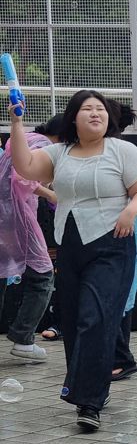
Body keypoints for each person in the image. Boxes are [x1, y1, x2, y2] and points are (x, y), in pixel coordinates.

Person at [8, 90, 137, 431]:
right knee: (74, 321)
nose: (95, 114)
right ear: (73, 118)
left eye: (100, 109)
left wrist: (131, 212)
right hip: (72, 244)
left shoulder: (124, 151)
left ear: (109, 118)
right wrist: (16, 122)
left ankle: (88, 402)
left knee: (96, 319)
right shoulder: (59, 153)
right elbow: (25, 166)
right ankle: (87, 390)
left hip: (114, 242)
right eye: (87, 109)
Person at [0, 116, 59, 362]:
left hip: (6, 216)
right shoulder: (44, 145)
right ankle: (23, 339)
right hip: (16, 218)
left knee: (2, 275)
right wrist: (52, 195)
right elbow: (22, 178)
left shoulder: (27, 139)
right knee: (43, 276)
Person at [107, 100, 137, 381]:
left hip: (124, 225)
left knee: (118, 292)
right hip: (121, 225)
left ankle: (122, 357)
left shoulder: (121, 152)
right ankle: (117, 354)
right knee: (119, 292)